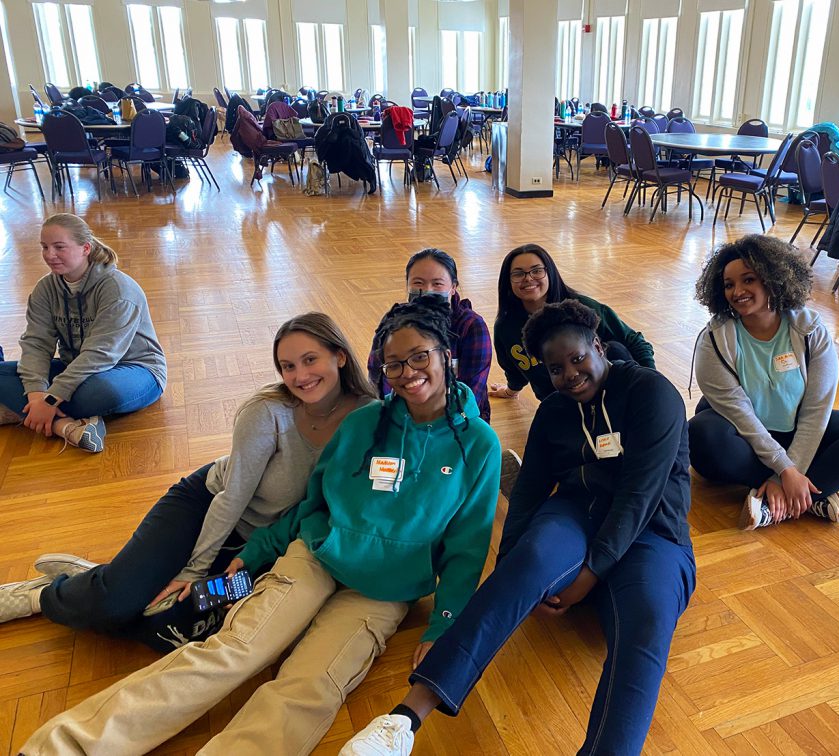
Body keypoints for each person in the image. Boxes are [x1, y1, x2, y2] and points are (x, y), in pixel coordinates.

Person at [20, 298, 501, 756]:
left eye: (419, 357)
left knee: (309, 688)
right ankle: (67, 744)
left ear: (446, 354)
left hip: (383, 593)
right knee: (233, 650)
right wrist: (256, 552)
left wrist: (445, 622)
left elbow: (467, 547)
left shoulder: (479, 445)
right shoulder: (365, 423)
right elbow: (313, 503)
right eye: (394, 364)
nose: (407, 373)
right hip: (316, 557)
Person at [343, 299, 694, 756]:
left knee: (647, 625)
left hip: (653, 531)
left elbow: (640, 496)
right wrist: (510, 571)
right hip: (577, 514)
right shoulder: (554, 411)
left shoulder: (653, 393)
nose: (569, 374)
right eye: (555, 368)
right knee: (530, 560)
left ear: (599, 347)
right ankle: (404, 720)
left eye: (577, 359)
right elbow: (529, 491)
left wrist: (588, 577)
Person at [0, 313, 376, 652]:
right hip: (206, 507)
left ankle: (106, 578)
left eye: (310, 360)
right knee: (116, 605)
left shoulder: (368, 415)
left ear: (339, 356)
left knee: (167, 629)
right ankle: (45, 595)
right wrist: (194, 571)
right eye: (287, 366)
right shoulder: (268, 413)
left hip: (263, 545)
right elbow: (231, 498)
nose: (300, 376)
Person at [689, 235, 839, 530]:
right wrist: (785, 468)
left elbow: (816, 410)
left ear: (773, 278)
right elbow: (742, 417)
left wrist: (782, 474)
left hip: (798, 429)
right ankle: (814, 493)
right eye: (729, 284)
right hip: (746, 436)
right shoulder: (714, 340)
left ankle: (774, 501)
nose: (738, 291)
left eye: (749, 279)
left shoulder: (811, 330)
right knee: (701, 433)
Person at [0, 213, 167, 452]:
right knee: (14, 375)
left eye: (59, 247)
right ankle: (67, 427)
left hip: (134, 370)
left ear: (85, 248)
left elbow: (101, 354)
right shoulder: (45, 289)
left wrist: (50, 398)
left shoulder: (118, 290)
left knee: (99, 392)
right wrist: (37, 394)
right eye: (44, 247)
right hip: (75, 368)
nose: (49, 255)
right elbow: (37, 343)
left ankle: (23, 411)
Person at [489, 243, 655, 403]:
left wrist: (653, 385)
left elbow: (636, 342)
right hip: (560, 404)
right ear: (508, 281)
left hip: (609, 396)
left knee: (616, 348)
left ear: (550, 273)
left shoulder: (581, 308)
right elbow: (513, 369)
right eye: (518, 274)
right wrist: (511, 391)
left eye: (537, 271)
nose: (528, 278)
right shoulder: (506, 327)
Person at [368, 248, 492, 422]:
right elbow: (378, 377)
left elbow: (473, 391)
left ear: (453, 288)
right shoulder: (393, 323)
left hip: (457, 421)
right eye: (418, 283)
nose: (427, 290)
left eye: (437, 284)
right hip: (403, 419)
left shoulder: (471, 326)